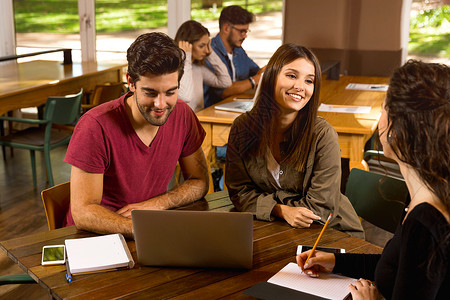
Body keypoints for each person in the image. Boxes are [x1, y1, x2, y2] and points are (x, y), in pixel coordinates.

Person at [297, 60, 449, 299]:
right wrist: (336, 261)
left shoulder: (425, 224)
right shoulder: (428, 193)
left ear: (399, 130)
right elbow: (396, 267)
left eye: (383, 109)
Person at [63, 32, 209, 239]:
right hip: (94, 237)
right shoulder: (95, 126)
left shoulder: (183, 114)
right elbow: (83, 212)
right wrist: (141, 228)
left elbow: (199, 181)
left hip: (146, 228)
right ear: (131, 83)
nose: (161, 105)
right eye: (150, 93)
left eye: (170, 92)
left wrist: (156, 206)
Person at [225, 43, 364, 238]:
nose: (300, 87)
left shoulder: (323, 135)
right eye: (291, 76)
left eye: (309, 81)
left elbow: (319, 209)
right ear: (271, 77)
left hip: (331, 233)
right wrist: (281, 210)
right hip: (273, 229)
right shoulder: (243, 127)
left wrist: (266, 204)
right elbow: (239, 192)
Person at [204, 5, 266, 108]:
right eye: (242, 31)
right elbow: (224, 91)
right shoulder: (209, 52)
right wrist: (255, 80)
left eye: (246, 31)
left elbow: (257, 72)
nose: (245, 36)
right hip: (211, 113)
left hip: (234, 107)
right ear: (226, 28)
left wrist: (267, 70)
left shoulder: (238, 50)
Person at [174, 20, 231, 112]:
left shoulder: (198, 68)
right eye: (201, 46)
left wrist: (211, 53)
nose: (206, 51)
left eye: (207, 45)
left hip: (198, 120)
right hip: (184, 123)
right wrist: (186, 56)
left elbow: (225, 82)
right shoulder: (173, 70)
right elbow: (185, 96)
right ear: (188, 45)